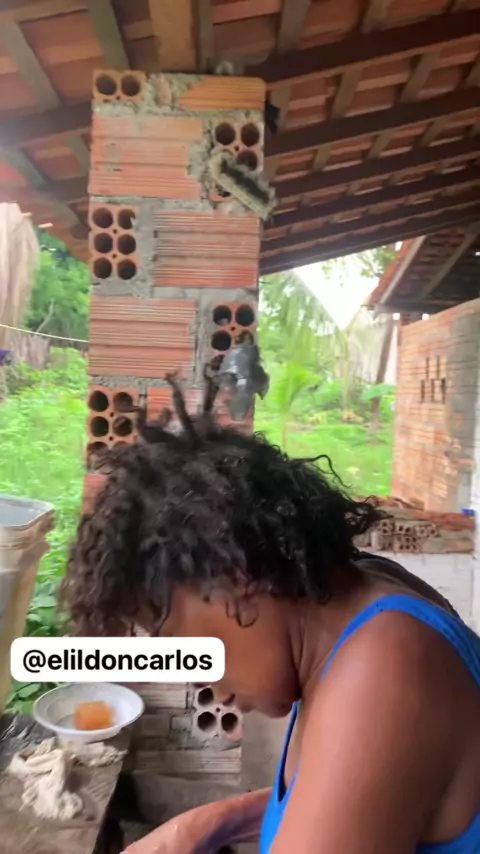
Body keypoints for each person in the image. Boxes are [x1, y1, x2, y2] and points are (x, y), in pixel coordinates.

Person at [63, 377, 480, 854]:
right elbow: (350, 801)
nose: (199, 678)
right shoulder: (360, 601)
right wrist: (200, 826)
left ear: (234, 574)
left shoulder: (385, 671)